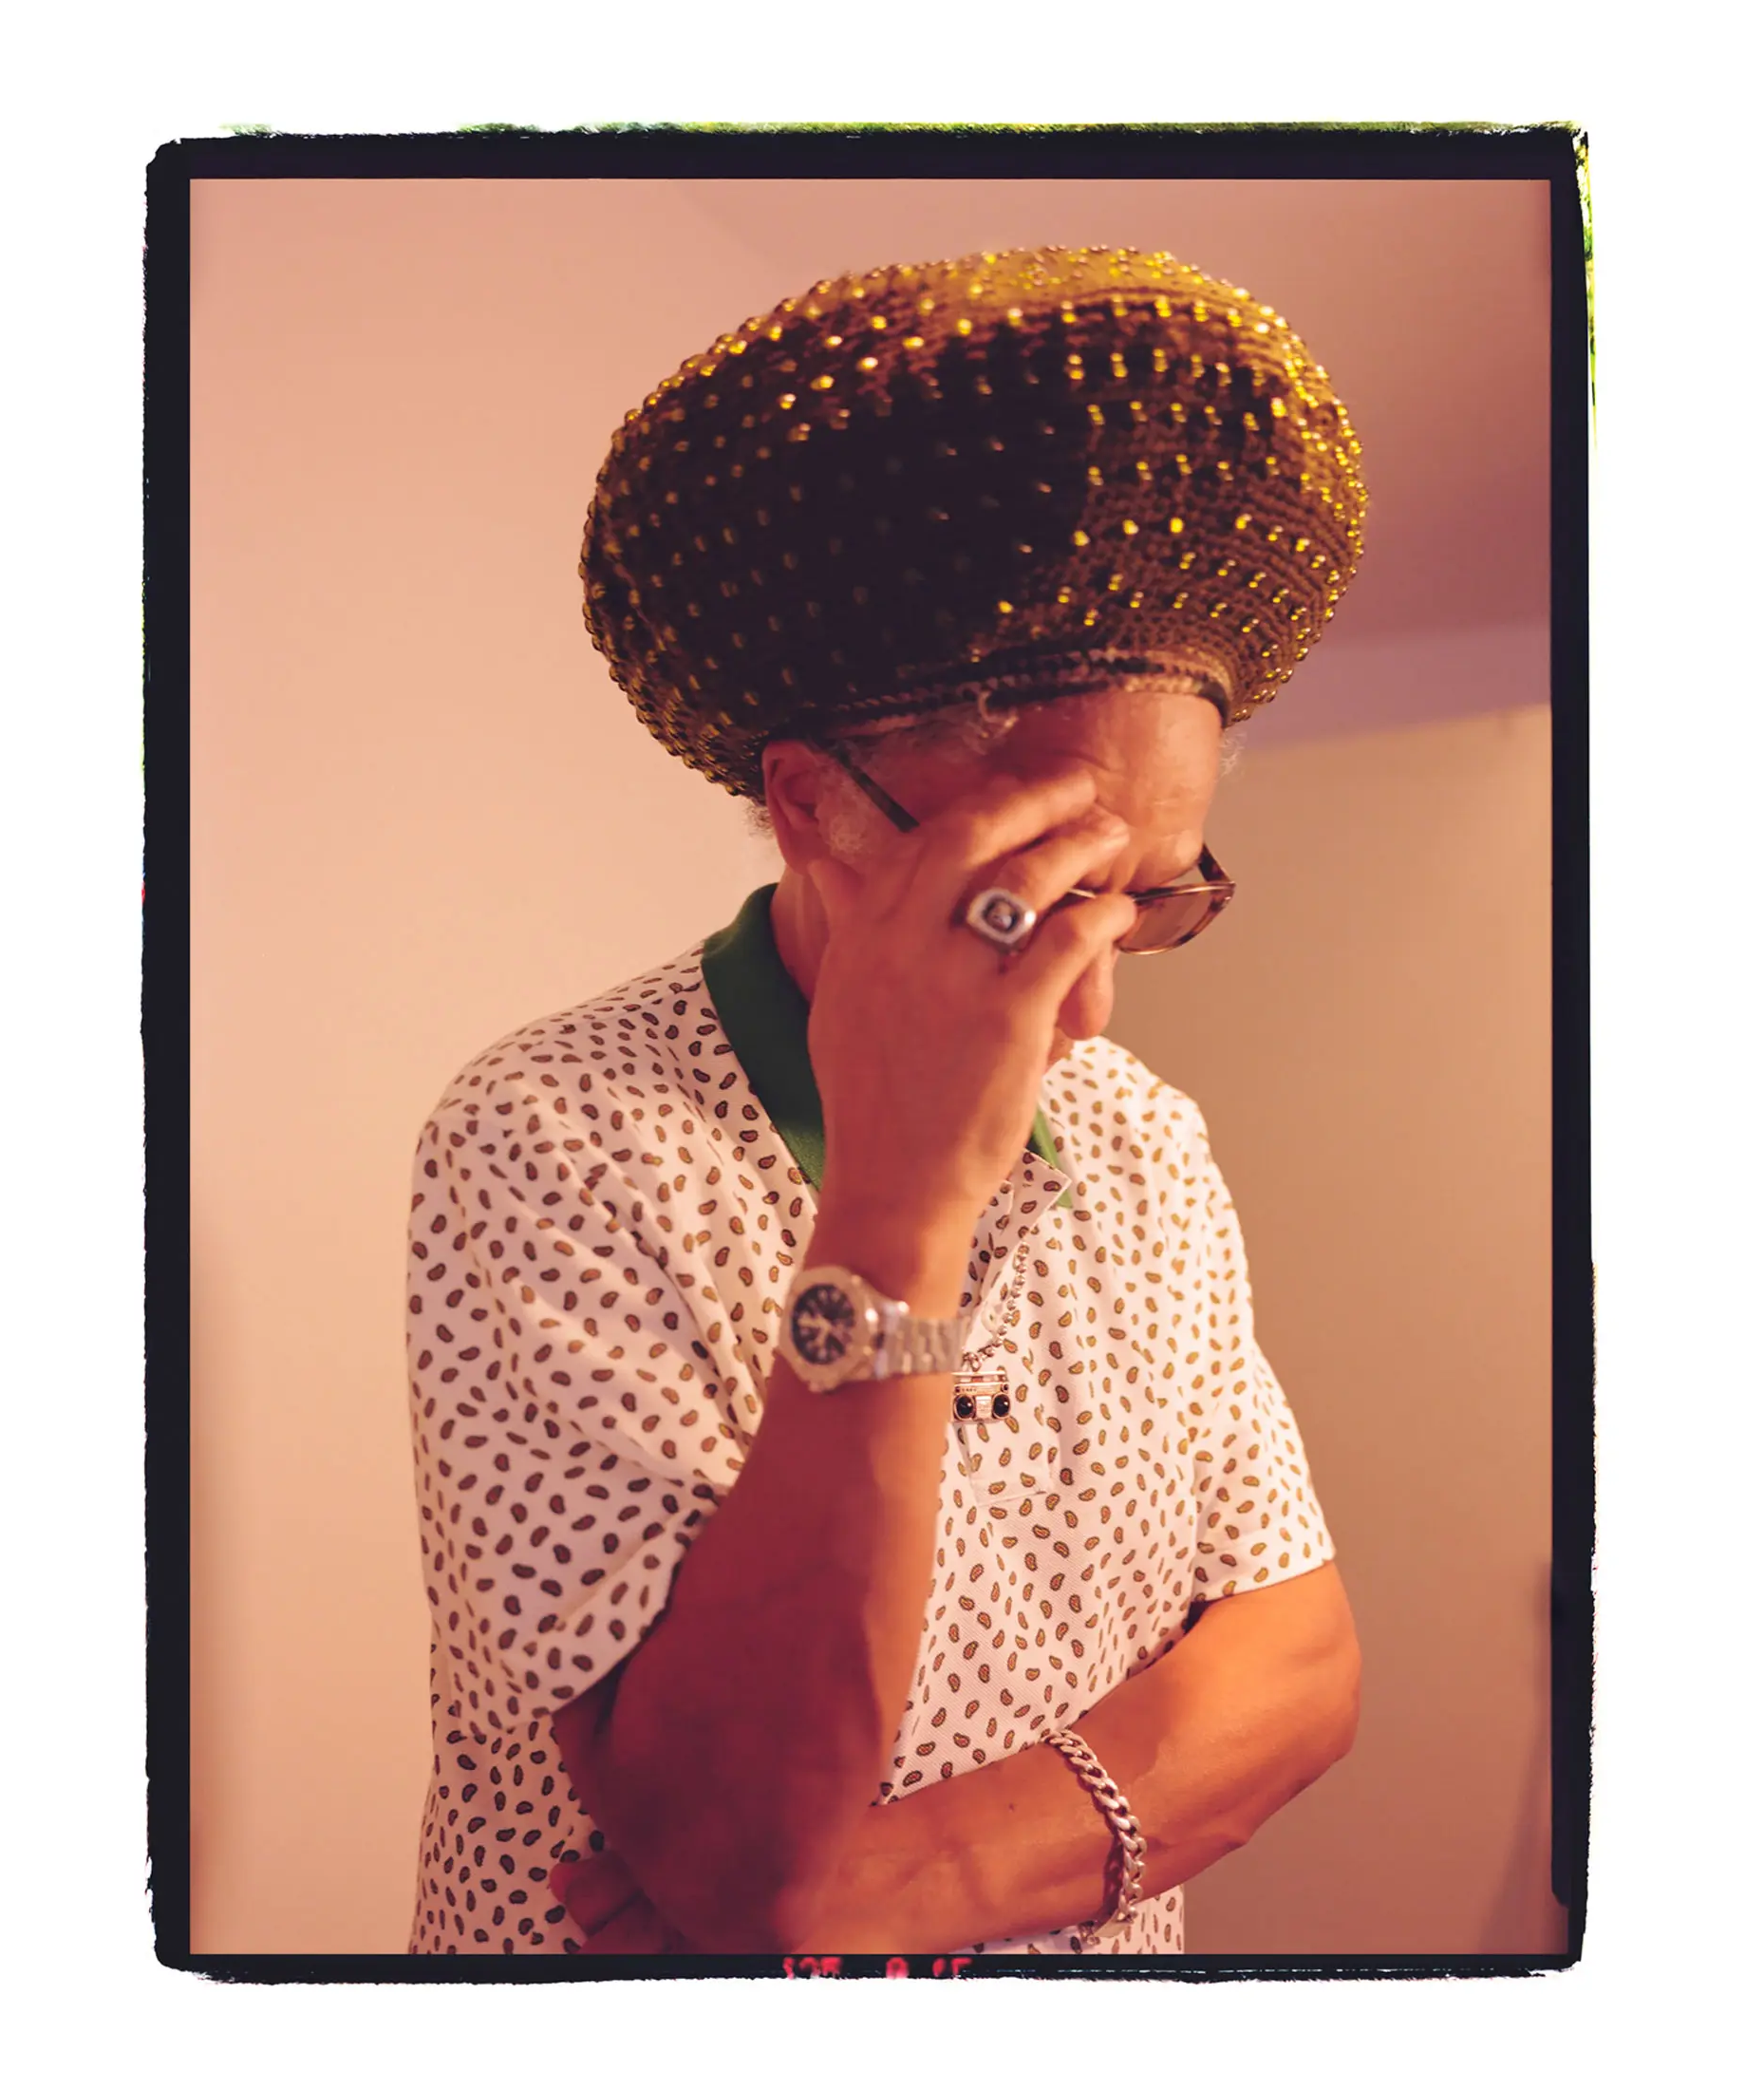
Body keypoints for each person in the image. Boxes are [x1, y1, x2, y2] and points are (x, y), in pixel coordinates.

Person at [405, 246, 1366, 1956]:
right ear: (811, 808)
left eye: (1146, 902)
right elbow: (721, 1823)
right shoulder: (554, 1141)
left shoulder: (1145, 1141)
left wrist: (872, 1886)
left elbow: (1296, 1672)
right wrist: (901, 1205)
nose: (1089, 1009)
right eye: (1023, 899)